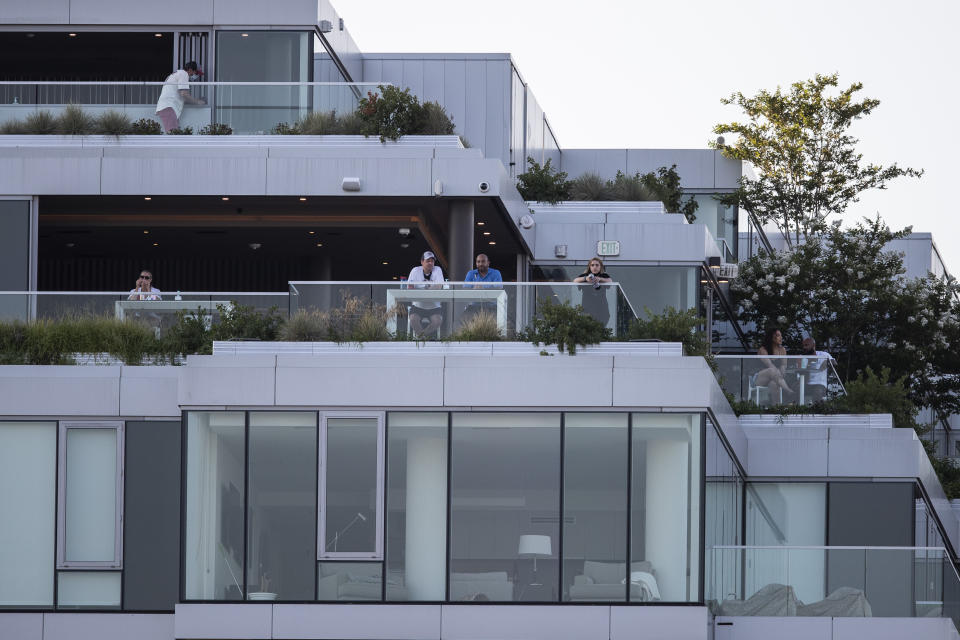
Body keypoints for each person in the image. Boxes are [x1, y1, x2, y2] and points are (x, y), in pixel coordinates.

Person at [155, 61, 207, 133]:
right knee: (173, 135)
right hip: (169, 107)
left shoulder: (177, 74)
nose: (196, 76)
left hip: (167, 107)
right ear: (190, 70)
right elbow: (184, 94)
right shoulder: (184, 74)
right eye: (196, 73)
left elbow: (182, 96)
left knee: (174, 133)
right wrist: (198, 102)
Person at [406, 251, 445, 337]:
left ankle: (421, 337)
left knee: (437, 321)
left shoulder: (437, 269)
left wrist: (422, 289)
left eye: (432, 261)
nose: (430, 263)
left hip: (434, 306)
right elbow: (410, 287)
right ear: (422, 262)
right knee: (413, 319)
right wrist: (429, 288)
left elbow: (439, 286)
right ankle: (423, 338)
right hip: (418, 305)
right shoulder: (415, 271)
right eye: (428, 261)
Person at [461, 253, 502, 322]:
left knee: (496, 322)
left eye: (483, 261)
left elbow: (498, 289)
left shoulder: (495, 273)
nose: (480, 264)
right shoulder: (471, 273)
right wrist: (473, 289)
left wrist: (483, 289)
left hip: (491, 306)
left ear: (488, 263)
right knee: (462, 320)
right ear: (476, 263)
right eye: (478, 262)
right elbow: (465, 289)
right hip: (474, 305)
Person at [755, 326, 792, 401]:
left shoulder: (782, 350)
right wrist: (780, 372)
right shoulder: (763, 349)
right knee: (771, 370)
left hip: (776, 378)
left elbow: (784, 365)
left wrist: (782, 370)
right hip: (760, 378)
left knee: (774, 384)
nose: (781, 338)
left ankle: (776, 409)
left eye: (781, 335)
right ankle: (788, 391)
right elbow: (770, 365)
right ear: (771, 337)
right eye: (778, 335)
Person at [572, 257, 613, 326]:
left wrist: (600, 279)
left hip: (601, 307)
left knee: (601, 325)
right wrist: (585, 279)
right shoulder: (585, 275)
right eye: (592, 265)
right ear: (589, 267)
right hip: (587, 307)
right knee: (587, 325)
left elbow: (610, 281)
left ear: (600, 267)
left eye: (597, 265)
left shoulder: (604, 275)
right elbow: (575, 280)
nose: (595, 267)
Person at [800, 336, 834, 403]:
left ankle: (817, 411)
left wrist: (827, 362)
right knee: (795, 388)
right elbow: (800, 371)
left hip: (820, 384)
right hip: (806, 384)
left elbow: (834, 362)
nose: (804, 347)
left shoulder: (823, 354)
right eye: (803, 345)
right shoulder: (802, 357)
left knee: (817, 391)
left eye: (806, 345)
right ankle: (795, 410)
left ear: (813, 345)